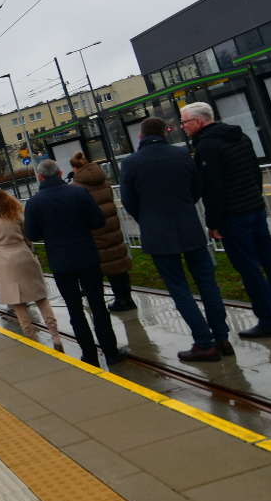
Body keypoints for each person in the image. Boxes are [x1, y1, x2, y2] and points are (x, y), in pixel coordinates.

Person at [118, 116, 230, 362]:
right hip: (190, 227)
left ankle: (204, 343)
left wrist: (147, 218)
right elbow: (196, 187)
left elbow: (129, 201)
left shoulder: (131, 163)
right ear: (166, 133)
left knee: (179, 289)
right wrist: (184, 208)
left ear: (140, 136)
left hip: (158, 234)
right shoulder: (181, 155)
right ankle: (222, 338)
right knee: (207, 283)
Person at [180, 102, 271, 337]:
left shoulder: (207, 146)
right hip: (255, 208)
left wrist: (213, 223)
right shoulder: (239, 136)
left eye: (184, 122)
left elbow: (212, 187)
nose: (182, 127)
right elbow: (255, 171)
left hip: (233, 216)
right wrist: (255, 199)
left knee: (249, 268)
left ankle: (269, 322)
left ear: (198, 122)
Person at [24, 158, 120, 365]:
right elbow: (98, 220)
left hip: (61, 262)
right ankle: (110, 351)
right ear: (60, 174)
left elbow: (32, 233)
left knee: (74, 308)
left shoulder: (34, 202)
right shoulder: (79, 193)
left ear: (40, 177)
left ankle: (89, 353)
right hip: (87, 256)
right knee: (98, 304)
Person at [0, 185, 61, 346]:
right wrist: (26, 248)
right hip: (23, 253)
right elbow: (28, 235)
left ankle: (32, 338)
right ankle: (55, 335)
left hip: (3, 260)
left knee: (18, 302)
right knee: (41, 297)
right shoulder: (14, 212)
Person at [69, 151, 135, 311]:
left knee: (109, 264)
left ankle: (120, 299)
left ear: (75, 168)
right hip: (112, 226)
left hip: (95, 231)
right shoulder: (103, 182)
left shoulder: (77, 187)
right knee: (119, 260)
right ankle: (128, 298)